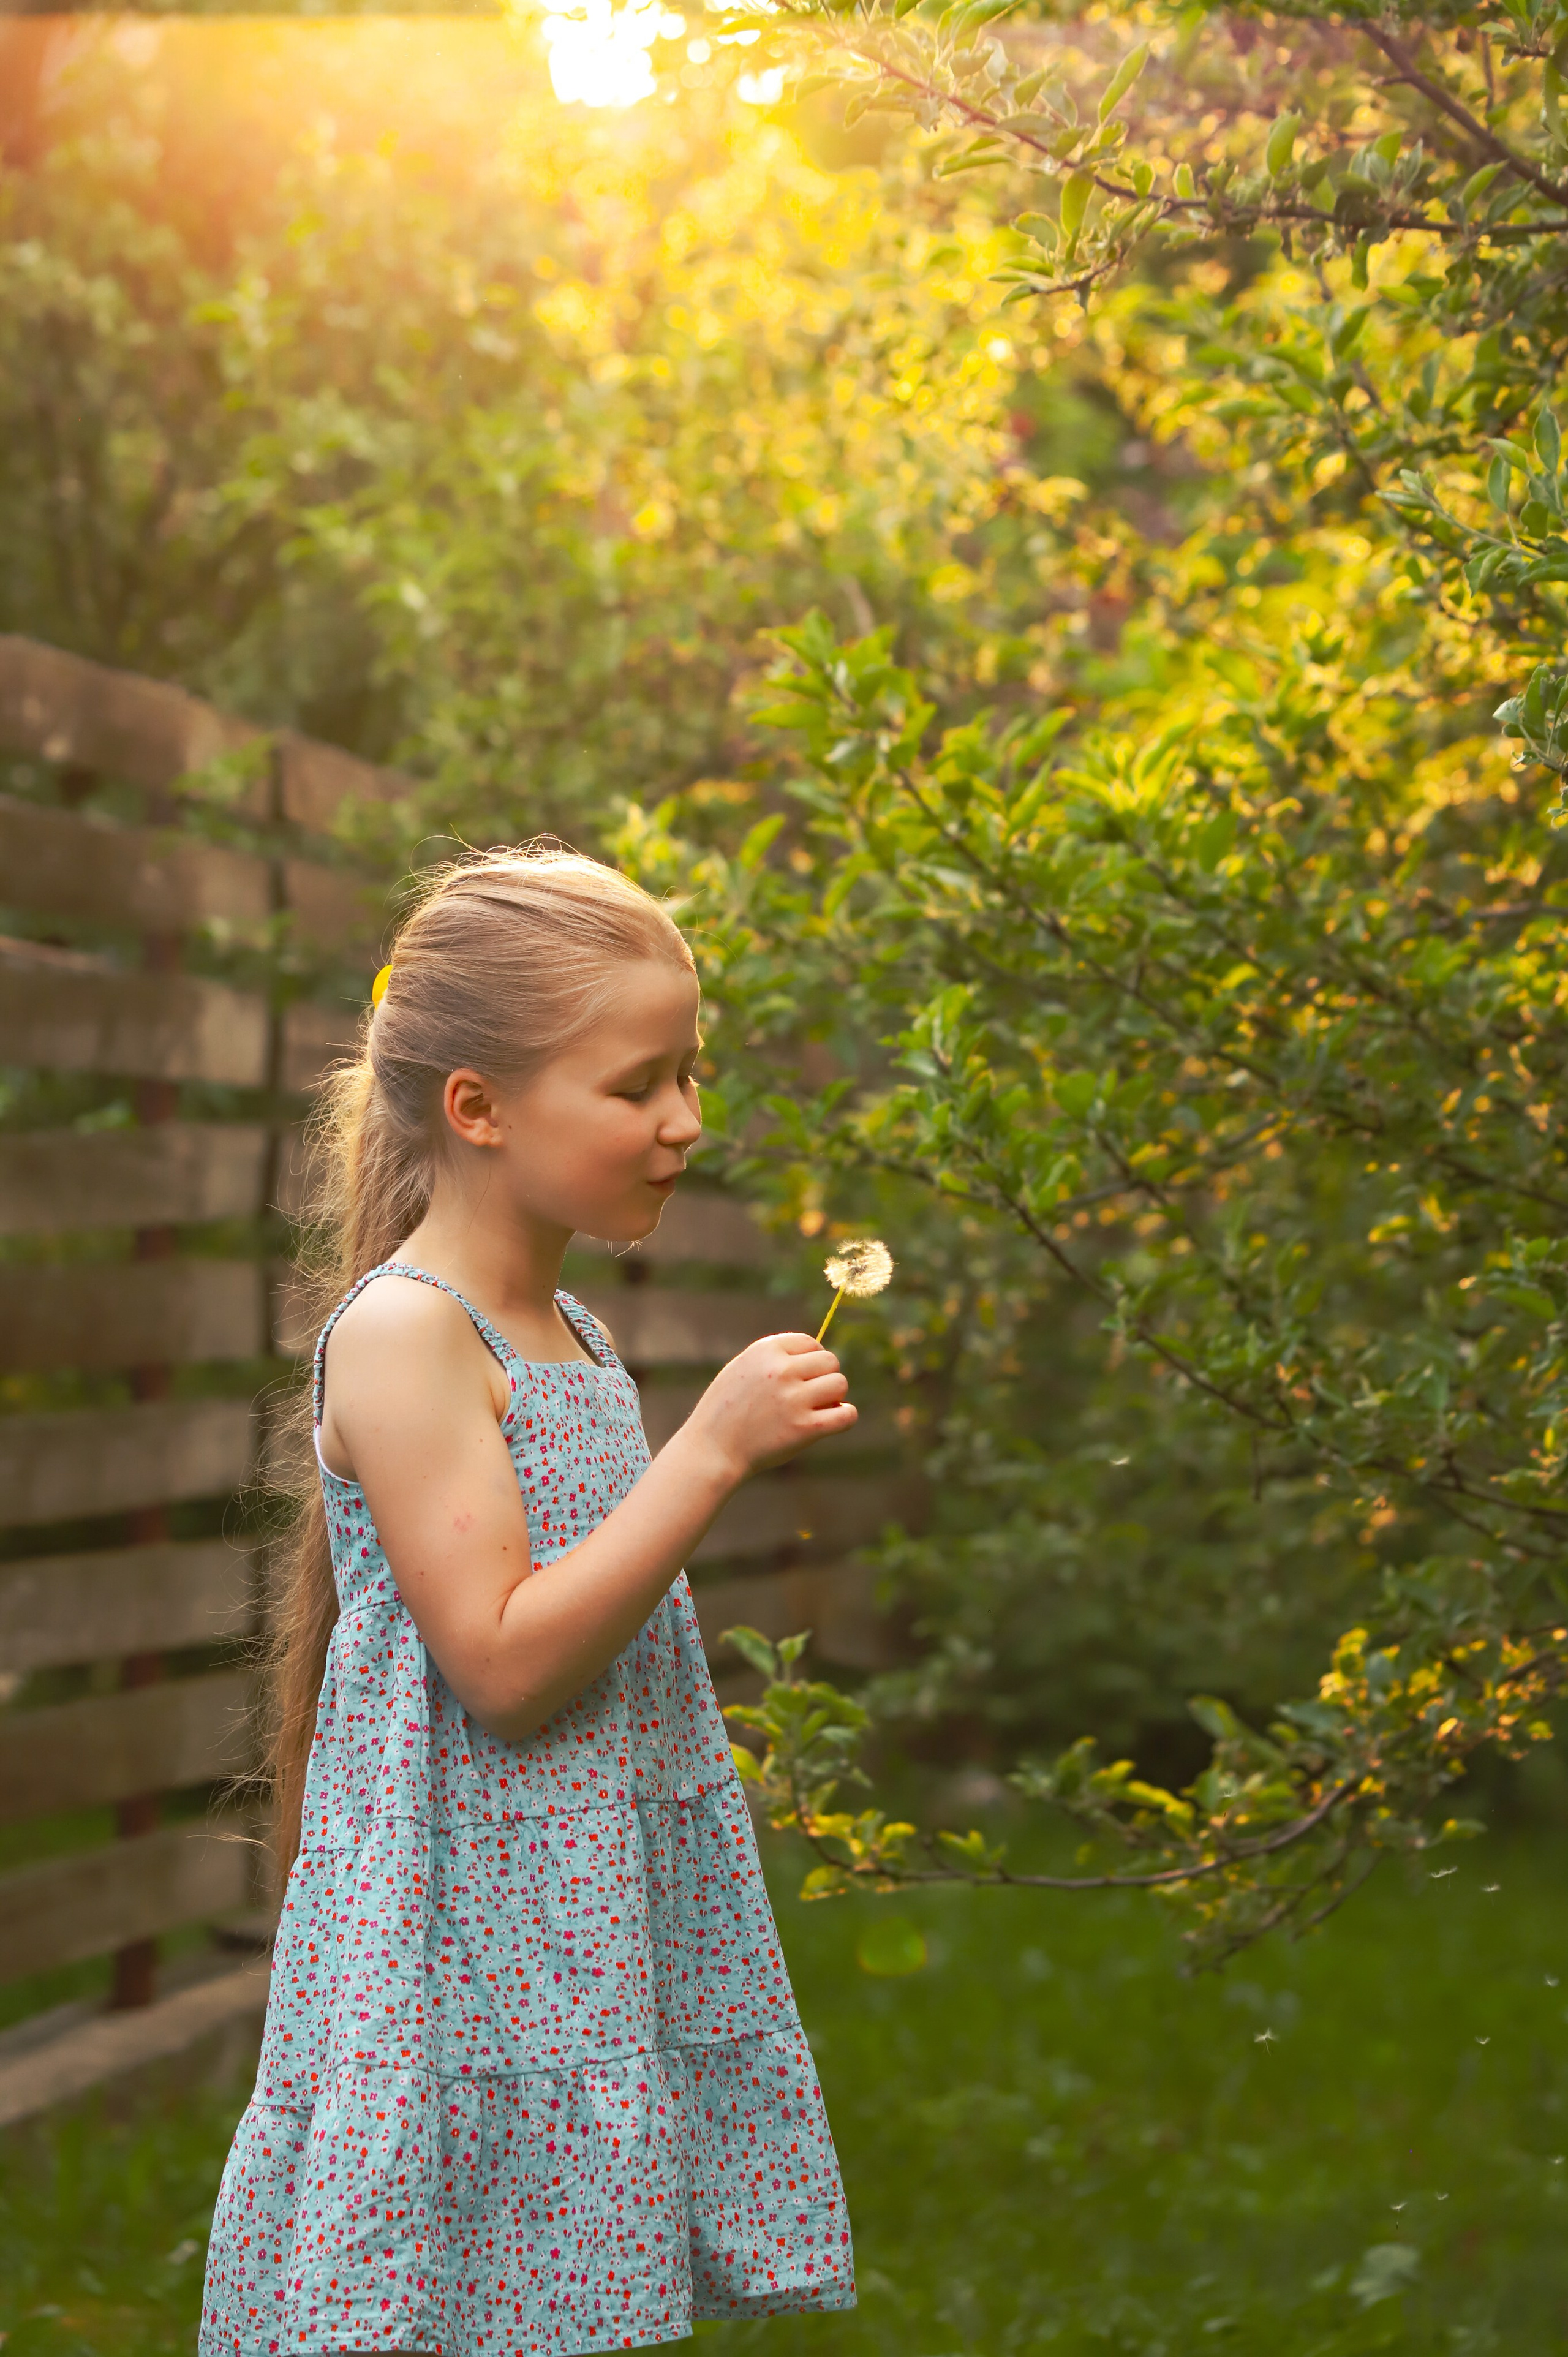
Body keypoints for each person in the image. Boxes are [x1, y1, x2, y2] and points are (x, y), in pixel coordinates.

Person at [200, 847, 858, 2357]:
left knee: (551, 2301)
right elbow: (501, 1664)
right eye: (639, 1085)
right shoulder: (406, 1339)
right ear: (478, 1108)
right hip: (463, 1941)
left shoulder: (563, 1328)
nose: (686, 1121)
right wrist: (707, 1451)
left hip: (567, 1925)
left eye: (691, 1073)